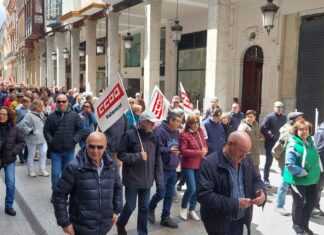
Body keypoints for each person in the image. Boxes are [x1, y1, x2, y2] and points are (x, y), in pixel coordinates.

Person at [52, 132, 123, 235]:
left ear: (105, 147)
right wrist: (65, 223)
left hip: (104, 226)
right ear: (86, 145)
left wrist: (116, 210)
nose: (95, 151)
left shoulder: (112, 165)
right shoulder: (74, 167)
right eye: (91, 146)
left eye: (99, 147)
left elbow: (118, 187)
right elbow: (59, 195)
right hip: (81, 227)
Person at [196, 131, 266, 235]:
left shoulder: (247, 160)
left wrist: (260, 192)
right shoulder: (209, 164)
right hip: (219, 223)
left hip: (241, 218)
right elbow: (204, 195)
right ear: (230, 144)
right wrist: (235, 204)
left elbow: (256, 180)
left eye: (247, 152)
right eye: (241, 151)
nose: (244, 157)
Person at [117, 110, 164, 235]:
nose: (153, 125)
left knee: (144, 208)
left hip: (147, 180)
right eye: (151, 122)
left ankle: (142, 232)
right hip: (132, 179)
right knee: (130, 206)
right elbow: (121, 154)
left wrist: (159, 181)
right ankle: (120, 223)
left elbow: (157, 160)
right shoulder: (129, 135)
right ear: (143, 122)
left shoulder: (155, 137)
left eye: (154, 122)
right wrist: (136, 156)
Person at [284, 120, 321, 235]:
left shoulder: (310, 142)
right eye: (301, 129)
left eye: (306, 129)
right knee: (299, 203)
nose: (304, 131)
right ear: (296, 131)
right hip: (298, 180)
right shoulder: (293, 144)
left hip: (312, 179)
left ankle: (305, 225)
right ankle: (297, 226)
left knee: (312, 201)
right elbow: (289, 165)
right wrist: (302, 172)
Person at [148, 112, 182, 229]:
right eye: (177, 121)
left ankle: (165, 218)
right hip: (162, 168)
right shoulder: (160, 131)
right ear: (171, 121)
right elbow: (157, 148)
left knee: (169, 195)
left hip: (173, 167)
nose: (179, 123)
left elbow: (178, 146)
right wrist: (169, 150)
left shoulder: (177, 131)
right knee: (161, 193)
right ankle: (150, 207)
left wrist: (178, 157)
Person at [43, 94, 83, 193]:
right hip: (55, 151)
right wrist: (51, 141)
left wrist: (74, 140)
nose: (61, 103)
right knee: (55, 173)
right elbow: (46, 130)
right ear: (56, 102)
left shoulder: (74, 115)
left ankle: (64, 193)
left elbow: (80, 129)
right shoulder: (51, 116)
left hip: (69, 150)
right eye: (59, 101)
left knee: (67, 173)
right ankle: (56, 193)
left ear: (67, 102)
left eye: (63, 101)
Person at [272, 112, 304, 216]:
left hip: (295, 159)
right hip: (287, 160)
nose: (302, 119)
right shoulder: (287, 132)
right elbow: (279, 148)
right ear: (293, 120)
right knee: (284, 182)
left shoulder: (297, 128)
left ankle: (304, 206)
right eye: (300, 118)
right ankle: (279, 205)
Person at [179, 114, 208, 221]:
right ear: (188, 124)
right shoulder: (184, 135)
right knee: (191, 187)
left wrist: (205, 150)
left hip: (199, 163)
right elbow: (183, 150)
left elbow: (204, 144)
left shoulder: (200, 132)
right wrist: (198, 152)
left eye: (197, 123)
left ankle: (192, 209)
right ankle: (183, 207)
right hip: (188, 164)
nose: (195, 125)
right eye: (193, 123)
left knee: (198, 188)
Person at [0, 106, 26, 216]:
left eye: (4, 114)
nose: (1, 116)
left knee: (10, 183)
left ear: (8, 116)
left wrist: (13, 151)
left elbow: (22, 142)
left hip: (9, 158)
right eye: (0, 114)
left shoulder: (14, 129)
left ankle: (9, 206)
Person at [19, 100, 49, 177]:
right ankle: (30, 170)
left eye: (42, 106)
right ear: (35, 106)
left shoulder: (42, 114)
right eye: (40, 106)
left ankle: (42, 170)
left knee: (43, 153)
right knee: (31, 155)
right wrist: (31, 131)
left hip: (42, 137)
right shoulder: (28, 115)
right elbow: (23, 125)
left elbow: (46, 123)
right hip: (32, 138)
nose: (42, 108)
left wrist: (46, 114)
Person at [260, 101, 286, 188]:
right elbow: (263, 129)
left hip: (281, 144)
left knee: (283, 162)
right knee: (269, 162)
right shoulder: (269, 117)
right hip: (270, 143)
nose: (279, 109)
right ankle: (266, 179)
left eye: (281, 107)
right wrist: (272, 136)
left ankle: (286, 180)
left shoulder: (284, 117)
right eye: (278, 107)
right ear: (274, 107)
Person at [238, 110, 261, 174]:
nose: (249, 118)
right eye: (248, 117)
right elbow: (239, 138)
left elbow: (259, 135)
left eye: (251, 117)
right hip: (247, 154)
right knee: (246, 173)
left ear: (255, 117)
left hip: (255, 153)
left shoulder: (256, 125)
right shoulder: (243, 126)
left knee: (256, 173)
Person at [314, 120, 324, 216]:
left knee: (320, 188)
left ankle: (316, 206)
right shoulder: (321, 131)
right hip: (321, 165)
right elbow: (319, 150)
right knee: (317, 187)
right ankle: (314, 207)